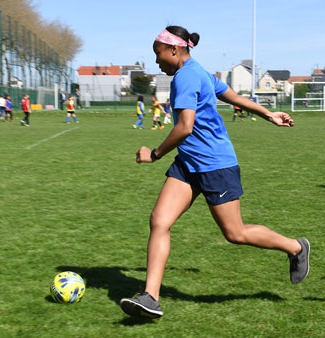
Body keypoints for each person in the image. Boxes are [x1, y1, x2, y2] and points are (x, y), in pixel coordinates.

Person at [119, 25, 310, 319]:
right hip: (188, 165)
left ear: (174, 50)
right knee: (159, 221)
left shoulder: (187, 75)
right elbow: (233, 97)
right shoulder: (200, 71)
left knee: (235, 233)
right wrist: (268, 113)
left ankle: (296, 247)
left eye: (158, 55)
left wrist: (154, 155)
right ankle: (151, 297)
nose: (157, 62)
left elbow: (185, 127)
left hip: (214, 165)